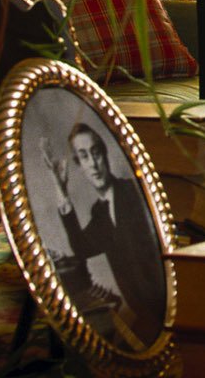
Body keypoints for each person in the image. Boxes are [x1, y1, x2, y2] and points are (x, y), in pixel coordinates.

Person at [42, 123, 165, 348]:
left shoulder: (134, 192)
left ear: (105, 155)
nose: (93, 163)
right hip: (144, 316)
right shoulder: (99, 212)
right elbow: (82, 248)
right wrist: (62, 191)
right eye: (84, 156)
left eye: (96, 153)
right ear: (80, 166)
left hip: (164, 307)